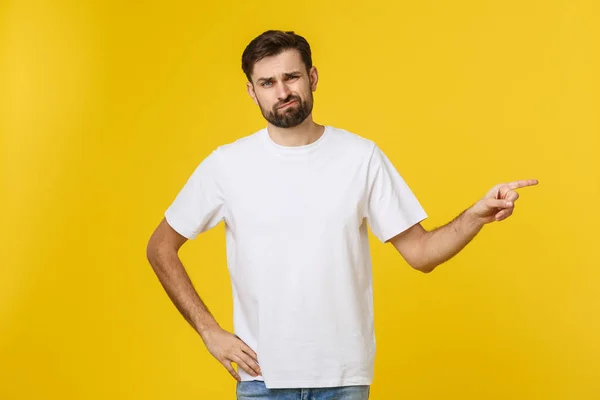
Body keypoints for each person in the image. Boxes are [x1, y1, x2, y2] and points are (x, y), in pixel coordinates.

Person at [146, 30, 538, 400]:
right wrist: (209, 332)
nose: (282, 92)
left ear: (312, 77)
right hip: (263, 380)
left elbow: (421, 253)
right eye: (267, 83)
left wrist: (476, 214)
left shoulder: (360, 157)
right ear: (251, 91)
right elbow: (160, 247)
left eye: (291, 77)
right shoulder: (228, 165)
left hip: (343, 381)